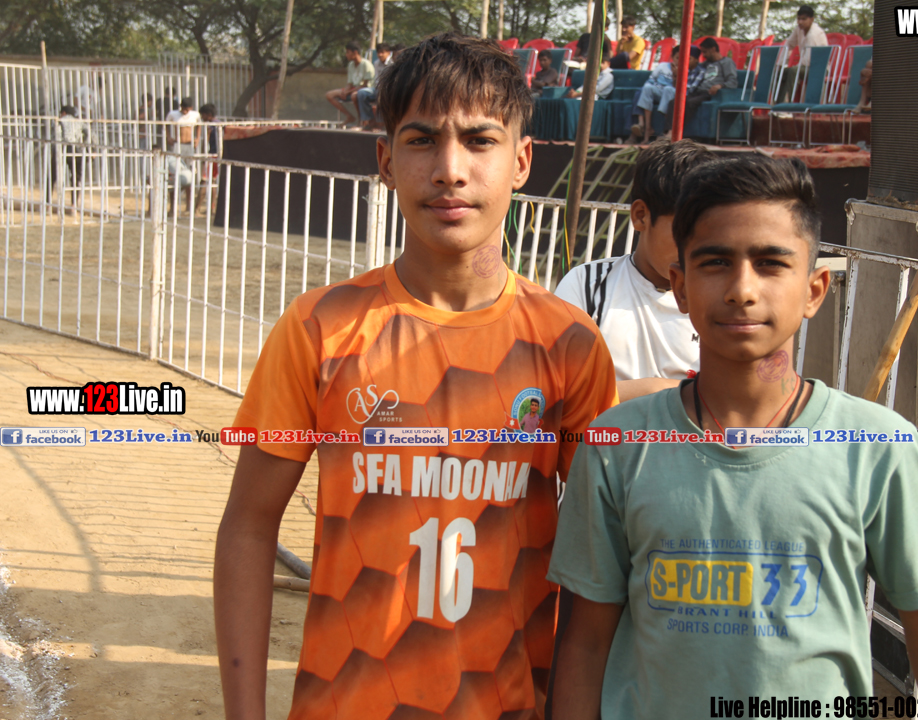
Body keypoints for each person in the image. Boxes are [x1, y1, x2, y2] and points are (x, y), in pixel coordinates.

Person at [214, 32, 618, 720]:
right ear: (386, 161)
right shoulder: (319, 328)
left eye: (480, 140)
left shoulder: (570, 346)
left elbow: (599, 569)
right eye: (423, 140)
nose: (450, 170)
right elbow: (249, 529)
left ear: (521, 161)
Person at [546, 154, 918, 719]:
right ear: (680, 286)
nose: (742, 289)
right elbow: (584, 643)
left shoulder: (876, 447)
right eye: (715, 263)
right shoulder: (615, 446)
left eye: (771, 263)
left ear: (815, 290)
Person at [554, 139, 715, 400]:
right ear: (641, 216)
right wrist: (661, 392)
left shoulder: (720, 297)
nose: (697, 249)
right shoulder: (586, 286)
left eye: (709, 234)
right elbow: (560, 392)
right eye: (684, 232)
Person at [630, 44, 703, 144]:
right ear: (673, 57)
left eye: (683, 58)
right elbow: (651, 80)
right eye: (677, 57)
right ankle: (646, 128)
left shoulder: (690, 69)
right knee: (645, 89)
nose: (680, 60)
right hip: (660, 91)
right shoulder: (663, 66)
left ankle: (665, 131)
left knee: (668, 89)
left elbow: (686, 90)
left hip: (675, 94)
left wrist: (676, 75)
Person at [778, 4, 828, 102]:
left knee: (793, 71)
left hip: (818, 68)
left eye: (804, 19)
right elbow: (788, 44)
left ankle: (789, 104)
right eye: (799, 19)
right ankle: (779, 104)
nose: (800, 22)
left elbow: (808, 60)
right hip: (805, 67)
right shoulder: (798, 29)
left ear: (811, 19)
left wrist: (794, 67)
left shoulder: (814, 34)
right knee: (780, 73)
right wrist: (780, 64)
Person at [685, 36, 738, 118]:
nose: (704, 55)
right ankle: (671, 126)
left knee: (689, 103)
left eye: (705, 52)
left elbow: (733, 82)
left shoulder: (726, 62)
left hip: (709, 93)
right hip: (697, 91)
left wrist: (720, 86)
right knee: (676, 101)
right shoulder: (705, 64)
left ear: (713, 49)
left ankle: (682, 126)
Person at [326, 40, 374, 126]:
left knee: (354, 96)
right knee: (329, 95)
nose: (346, 55)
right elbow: (350, 83)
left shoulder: (366, 64)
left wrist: (348, 92)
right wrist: (345, 91)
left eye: (348, 52)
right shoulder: (351, 65)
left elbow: (365, 85)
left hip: (364, 90)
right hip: (352, 89)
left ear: (355, 52)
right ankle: (349, 116)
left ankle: (361, 120)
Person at [56, 105, 87, 207]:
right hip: (77, 149)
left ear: (63, 113)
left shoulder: (61, 120)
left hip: (64, 148)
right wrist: (87, 146)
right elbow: (88, 132)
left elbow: (57, 134)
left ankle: (48, 204)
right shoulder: (79, 121)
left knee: (54, 175)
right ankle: (74, 204)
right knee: (76, 178)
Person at [194, 103, 219, 215]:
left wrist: (204, 154)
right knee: (213, 182)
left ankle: (196, 209)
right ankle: (212, 208)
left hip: (212, 156)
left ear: (208, 114)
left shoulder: (211, 126)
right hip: (218, 155)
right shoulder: (220, 123)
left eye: (203, 115)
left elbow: (206, 143)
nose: (202, 118)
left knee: (204, 181)